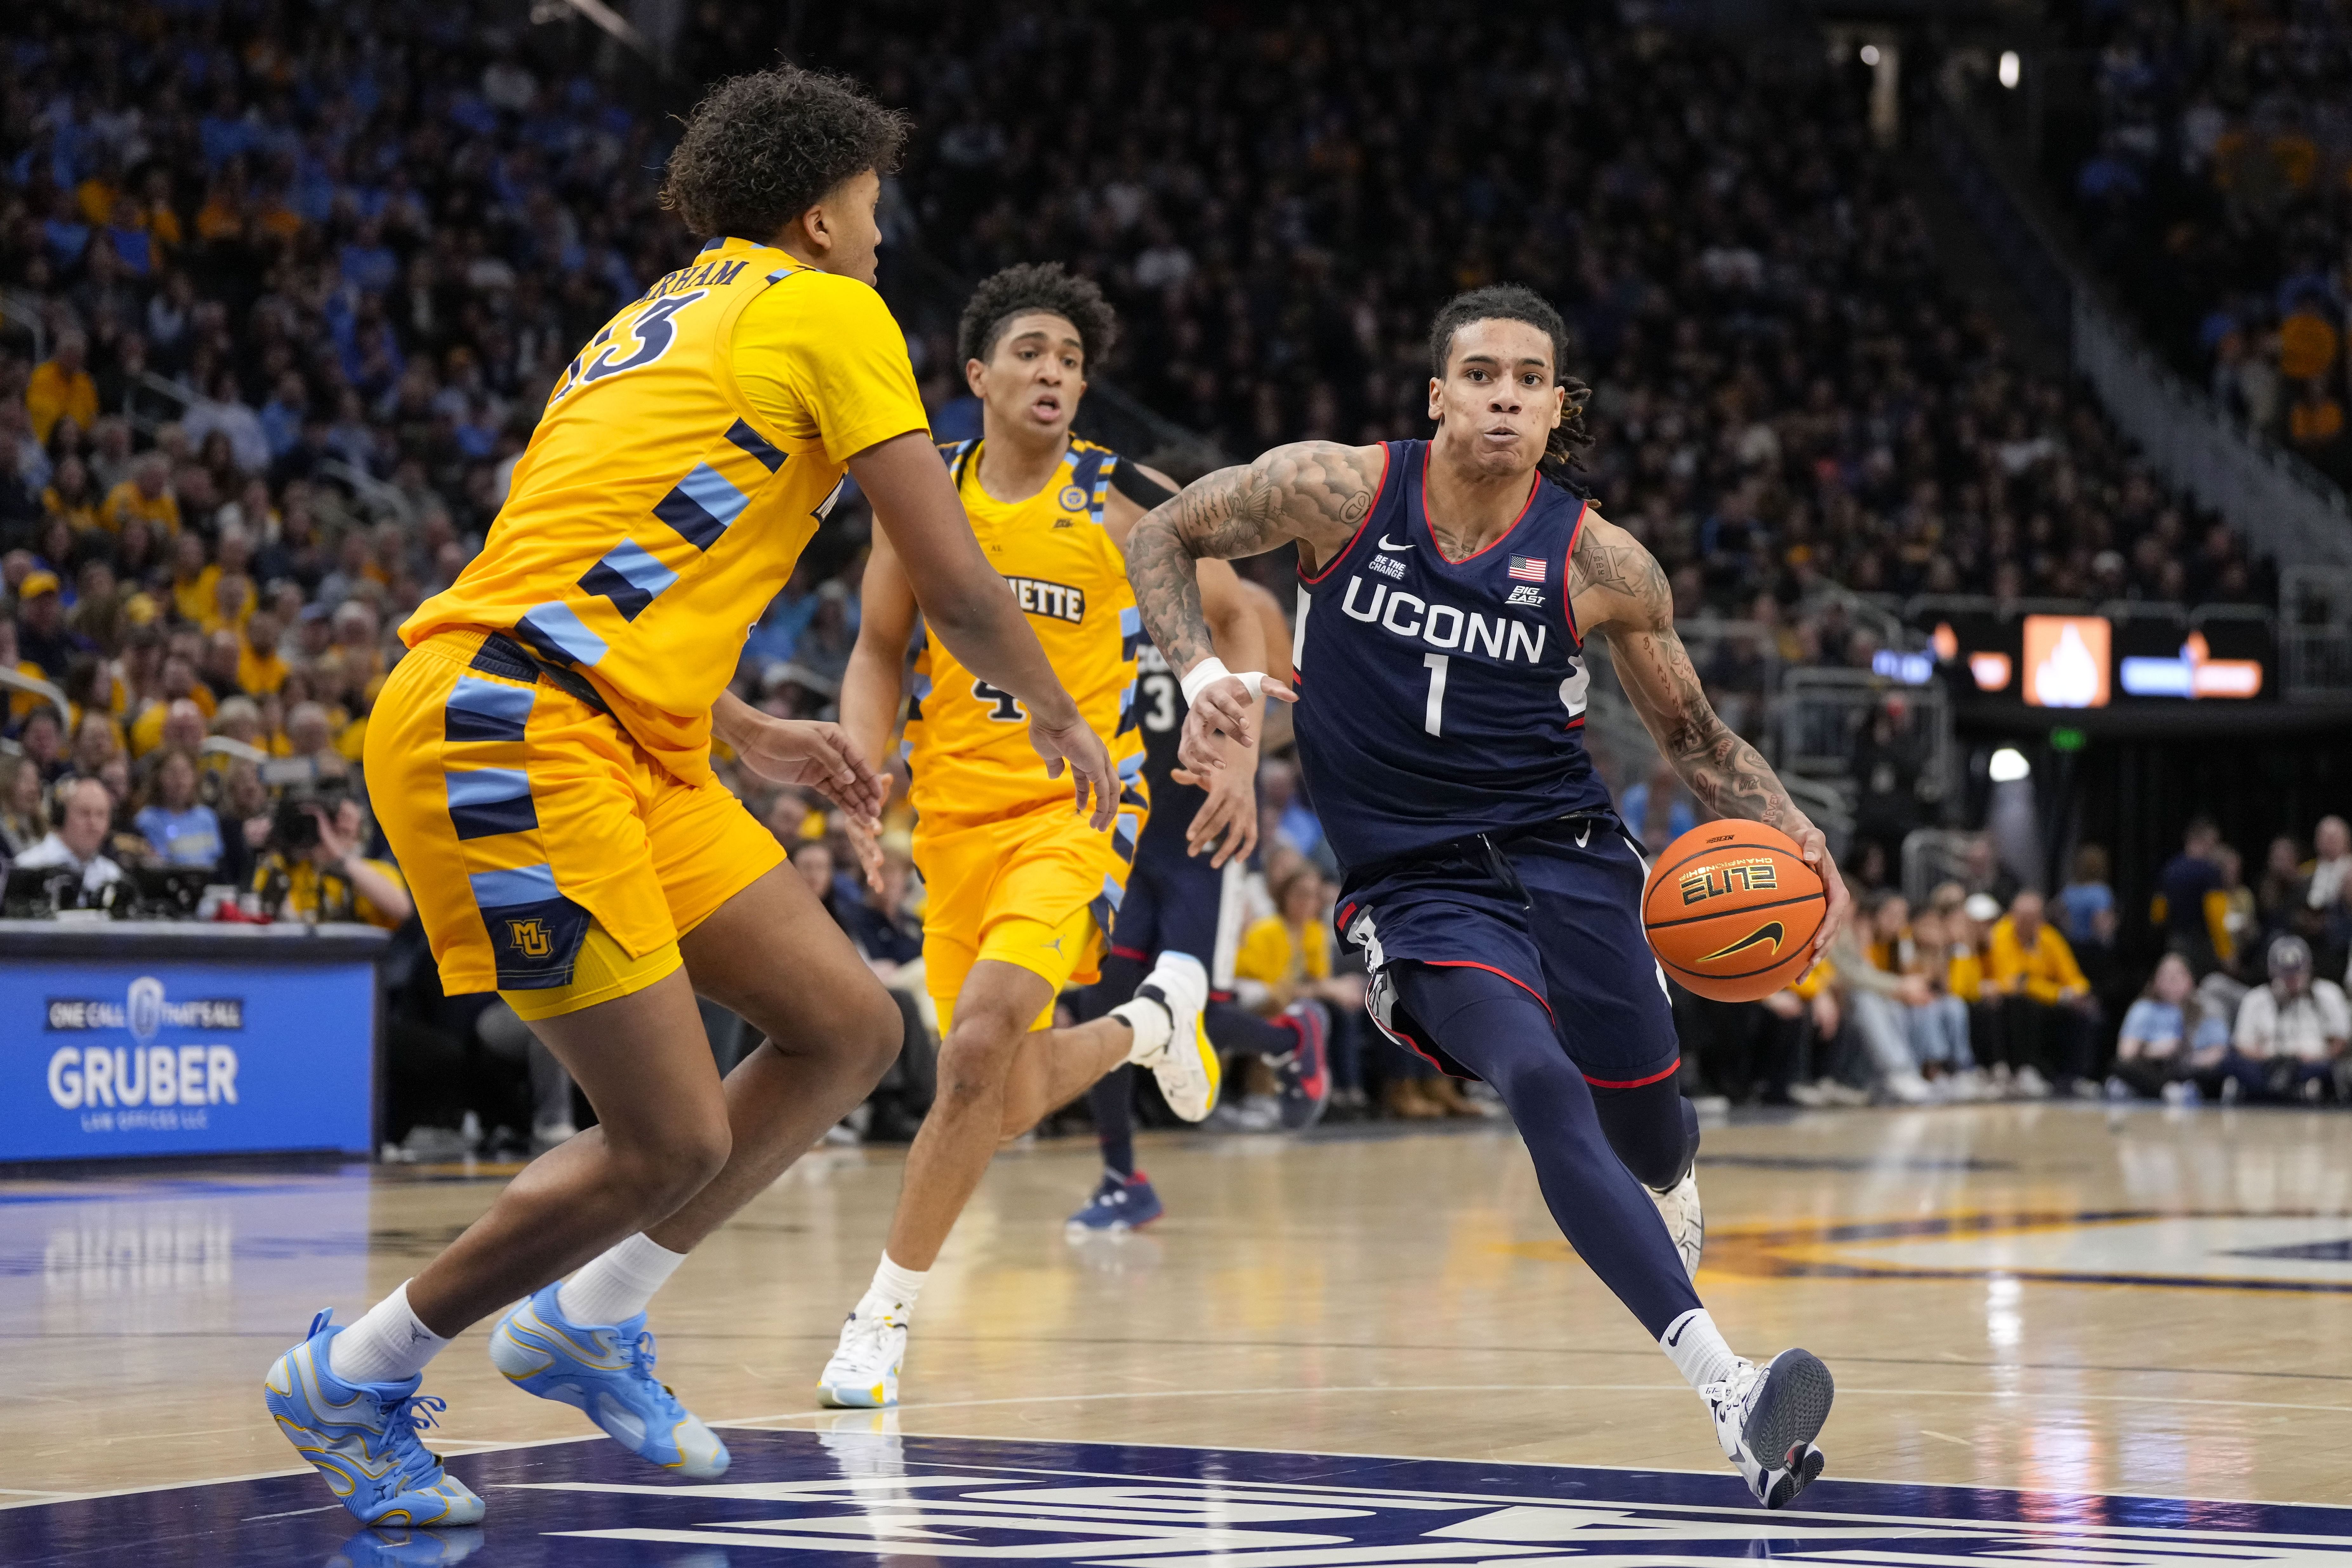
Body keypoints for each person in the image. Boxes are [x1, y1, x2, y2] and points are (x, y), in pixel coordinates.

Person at [264, 65, 1119, 1530]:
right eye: (870, 207)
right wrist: (1052, 704)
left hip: (617, 721)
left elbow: (575, 556)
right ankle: (357, 1366)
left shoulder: (650, 320)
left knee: (851, 1025)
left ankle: (591, 1317)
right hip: (513, 727)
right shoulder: (826, 309)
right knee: (668, 1137)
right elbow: (951, 568)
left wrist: (740, 728)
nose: (877, 235)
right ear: (817, 210)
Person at [1122, 283, 1846, 1508]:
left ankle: (1668, 1174)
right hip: (1418, 884)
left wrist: (1793, 831)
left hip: (1570, 859)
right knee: (1536, 1079)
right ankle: (1729, 1393)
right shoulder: (1333, 491)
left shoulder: (1601, 559)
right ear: (1436, 394)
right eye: (1479, 373)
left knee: (1649, 1127)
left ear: (1554, 406)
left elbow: (1694, 733)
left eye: (1526, 377)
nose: (1502, 393)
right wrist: (1197, 673)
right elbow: (1159, 535)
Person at [824, 263, 1243, 1405]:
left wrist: (1240, 741)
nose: (1054, 371)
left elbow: (1247, 605)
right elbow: (872, 649)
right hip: (947, 828)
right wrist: (863, 775)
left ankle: (878, 1318)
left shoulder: (1119, 501)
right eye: (1030, 354)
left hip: (1073, 818)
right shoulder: (924, 497)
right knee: (994, 1104)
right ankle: (1151, 1022)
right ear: (976, 377)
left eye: (1070, 359)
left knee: (971, 1052)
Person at [1072, 455, 1325, 1230]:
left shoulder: (1239, 602)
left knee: (1196, 1011)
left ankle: (1290, 1034)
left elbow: (1285, 714)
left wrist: (1232, 747)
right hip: (1118, 822)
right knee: (1103, 1008)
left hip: (1199, 824)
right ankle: (1122, 1176)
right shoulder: (1093, 582)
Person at [1985, 890, 2095, 1095]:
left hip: (2049, 998)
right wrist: (2060, 995)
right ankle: (2024, 1070)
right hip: (2016, 1002)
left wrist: (2078, 993)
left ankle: (2074, 1077)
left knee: (2085, 1012)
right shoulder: (2002, 934)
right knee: (2022, 1004)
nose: (2025, 923)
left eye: (2032, 918)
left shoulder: (2049, 937)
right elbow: (2017, 981)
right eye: (2021, 917)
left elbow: (2074, 976)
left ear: (2041, 918)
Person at [2227, 934, 2351, 1102]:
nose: (2292, 980)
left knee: (2330, 1071)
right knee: (2235, 1065)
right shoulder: (2256, 999)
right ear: (2272, 972)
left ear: (2309, 969)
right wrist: (2269, 1057)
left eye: (2297, 972)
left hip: (2312, 1064)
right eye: (2285, 974)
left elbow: (2341, 1040)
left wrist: (2319, 1056)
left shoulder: (2327, 994)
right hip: (2268, 1065)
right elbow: (2242, 1044)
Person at [2110, 953, 2225, 1102]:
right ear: (2156, 981)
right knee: (2122, 1067)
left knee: (2218, 1073)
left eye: (2178, 975)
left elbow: (2220, 1051)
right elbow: (2126, 1054)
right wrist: (2152, 1050)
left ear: (2191, 980)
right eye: (2166, 975)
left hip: (2190, 1067)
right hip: (2154, 1067)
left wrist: (2192, 1061)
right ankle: (2166, 1090)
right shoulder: (2143, 1009)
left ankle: (2146, 1089)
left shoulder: (2207, 1009)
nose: (2172, 981)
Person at [13, 776, 127, 904]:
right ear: (61, 817)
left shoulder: (113, 875)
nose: (93, 823)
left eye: (101, 815)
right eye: (84, 813)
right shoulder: (29, 867)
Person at [133, 748, 222, 869]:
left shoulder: (207, 817)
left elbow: (217, 860)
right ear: (158, 777)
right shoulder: (147, 820)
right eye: (172, 772)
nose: (179, 780)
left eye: (185, 773)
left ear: (195, 777)